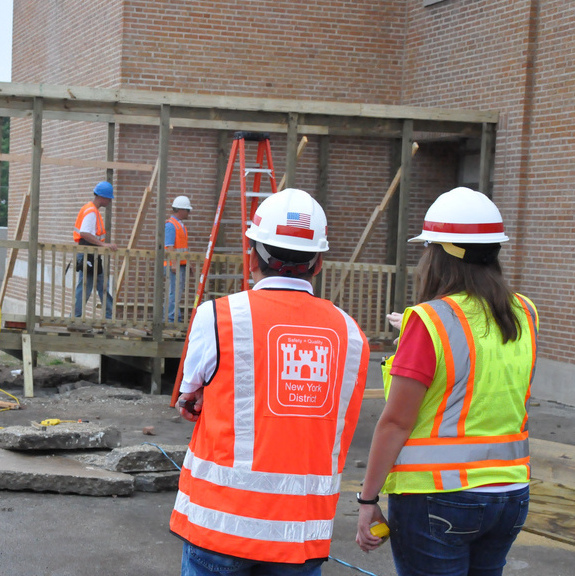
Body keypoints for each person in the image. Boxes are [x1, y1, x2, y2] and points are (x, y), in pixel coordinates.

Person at [170, 188, 371, 575]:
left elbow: (189, 393)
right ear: (319, 263)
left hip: (221, 526)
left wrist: (195, 399)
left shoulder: (218, 316)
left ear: (252, 254)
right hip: (300, 534)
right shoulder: (351, 334)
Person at [356, 187, 539, 576]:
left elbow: (396, 422)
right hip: (510, 494)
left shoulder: (430, 321)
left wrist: (367, 499)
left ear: (440, 255)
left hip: (438, 499)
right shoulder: (524, 313)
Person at [73, 181, 118, 319]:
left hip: (91, 254)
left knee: (102, 285)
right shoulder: (92, 211)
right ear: (103, 197)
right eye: (109, 198)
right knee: (86, 287)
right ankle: (76, 317)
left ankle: (109, 316)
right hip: (88, 254)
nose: (110, 201)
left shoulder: (92, 209)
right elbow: (85, 233)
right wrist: (103, 245)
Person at [164, 195, 193, 322]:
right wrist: (174, 264)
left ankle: (175, 317)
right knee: (173, 292)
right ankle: (171, 318)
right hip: (174, 265)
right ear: (181, 210)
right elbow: (169, 246)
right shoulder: (171, 225)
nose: (189, 213)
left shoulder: (179, 225)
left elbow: (183, 248)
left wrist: (188, 264)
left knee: (176, 292)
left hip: (180, 264)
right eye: (188, 210)